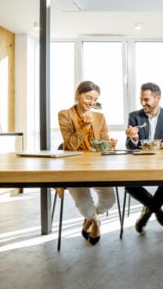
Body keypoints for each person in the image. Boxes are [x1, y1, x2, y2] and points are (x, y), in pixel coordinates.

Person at [58, 80, 116, 245]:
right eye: (88, 97)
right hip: (73, 167)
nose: (92, 103)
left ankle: (89, 219)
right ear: (78, 94)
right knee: (83, 202)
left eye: (95, 100)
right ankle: (95, 222)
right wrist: (85, 126)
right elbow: (70, 146)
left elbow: (104, 142)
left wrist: (109, 145)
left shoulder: (100, 116)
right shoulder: (65, 114)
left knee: (109, 200)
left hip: (97, 165)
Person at [125, 82, 163, 233]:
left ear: (158, 98)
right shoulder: (135, 117)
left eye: (146, 100)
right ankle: (156, 209)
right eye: (141, 100)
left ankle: (146, 213)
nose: (143, 103)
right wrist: (134, 138)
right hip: (139, 164)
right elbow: (130, 147)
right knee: (129, 185)